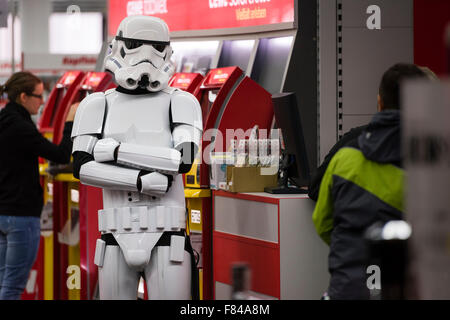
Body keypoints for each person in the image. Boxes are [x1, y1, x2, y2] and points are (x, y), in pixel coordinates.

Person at [312, 63, 428, 300]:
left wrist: (353, 250)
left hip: (346, 291)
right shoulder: (432, 168)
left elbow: (323, 223)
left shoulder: (345, 158)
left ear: (380, 102)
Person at [0, 71, 78, 300]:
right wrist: (71, 122)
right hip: (21, 217)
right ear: (23, 97)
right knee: (13, 287)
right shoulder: (20, 127)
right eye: (38, 95)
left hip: (3, 214)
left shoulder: (5, 121)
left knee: (4, 280)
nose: (43, 100)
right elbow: (62, 154)